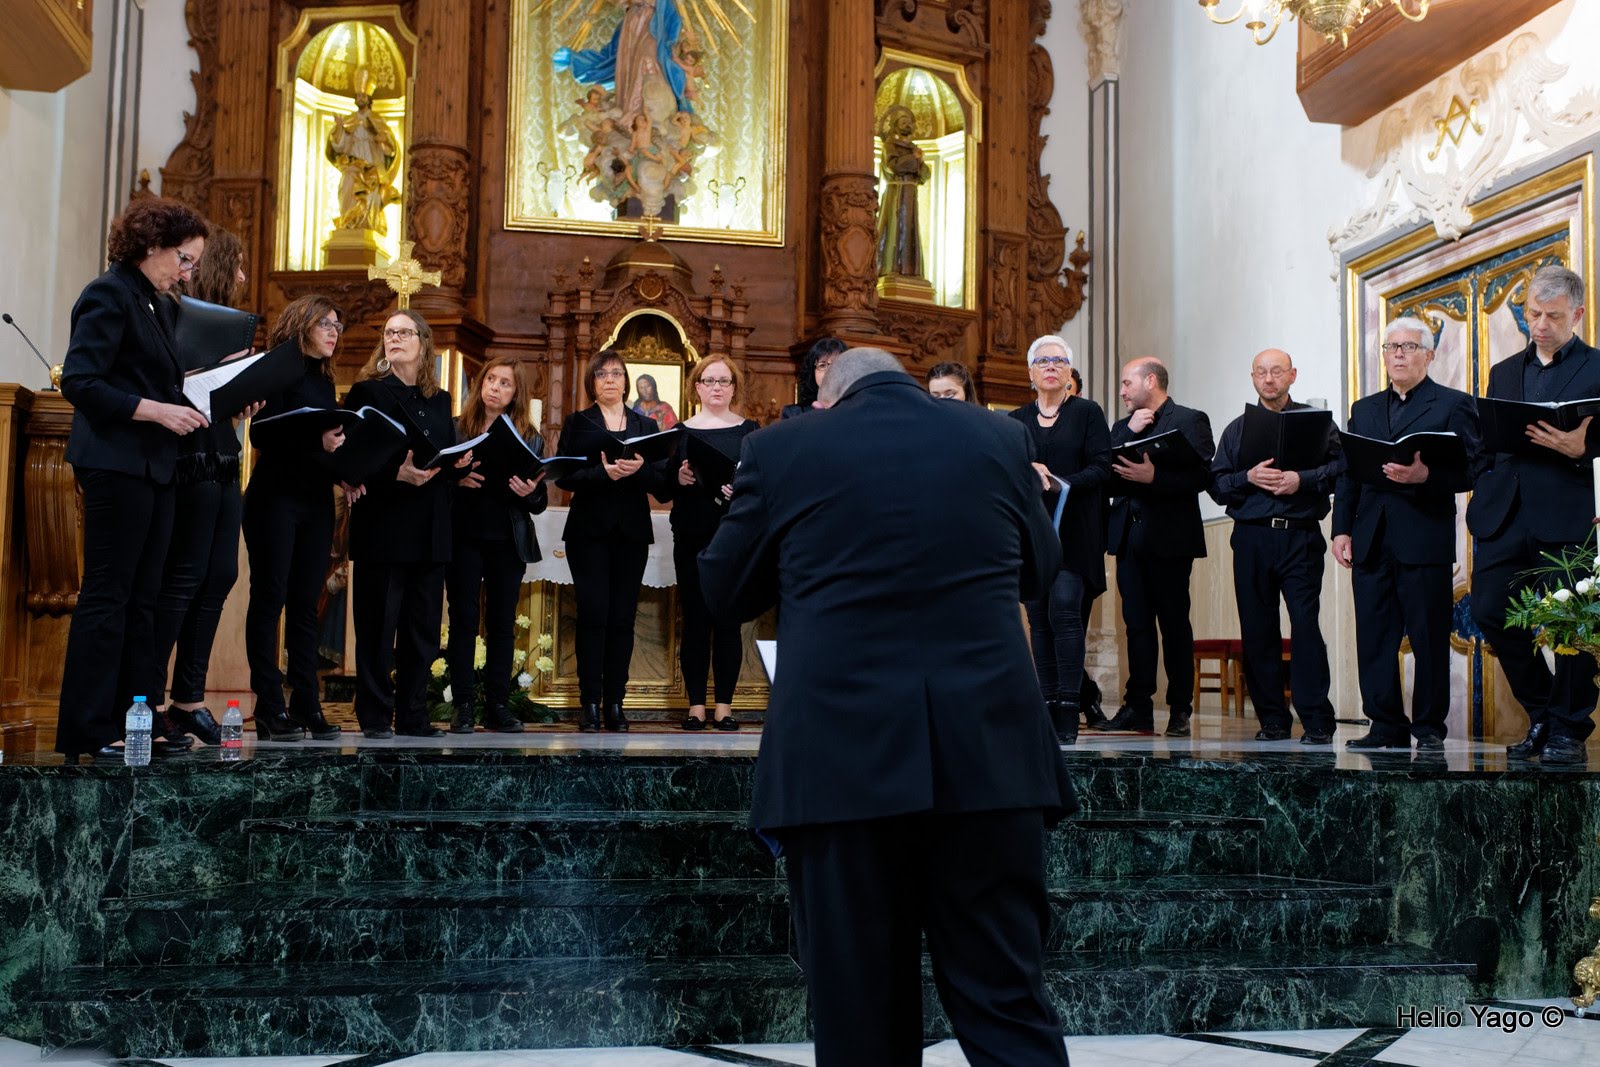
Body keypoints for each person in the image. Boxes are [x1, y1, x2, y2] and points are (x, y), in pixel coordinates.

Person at [699, 347, 1073, 1067]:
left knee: (860, 1012)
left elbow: (724, 590)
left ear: (828, 398)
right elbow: (1041, 567)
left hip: (841, 763)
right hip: (989, 754)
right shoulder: (998, 436)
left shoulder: (780, 449)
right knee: (1007, 1000)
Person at [55, 198, 210, 760]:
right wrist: (156, 411)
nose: (187, 274)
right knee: (109, 595)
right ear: (152, 245)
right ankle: (91, 728)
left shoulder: (156, 304)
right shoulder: (108, 293)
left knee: (146, 600)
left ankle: (137, 719)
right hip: (115, 463)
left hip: (154, 467)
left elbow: (162, 384)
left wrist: (215, 397)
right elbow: (80, 381)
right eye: (184, 259)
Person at [1467, 265, 1600, 764]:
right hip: (1505, 514)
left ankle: (1569, 728)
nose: (1540, 325)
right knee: (1488, 610)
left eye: (1553, 316)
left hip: (1570, 513)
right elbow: (1487, 442)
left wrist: (1581, 449)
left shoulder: (1597, 368)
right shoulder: (1503, 371)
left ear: (1577, 315)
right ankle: (1544, 710)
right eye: (1532, 314)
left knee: (1572, 624)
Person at [1333, 318, 1482, 751]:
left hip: (1423, 536)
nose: (1398, 353)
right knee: (1374, 636)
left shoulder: (1453, 404)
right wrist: (1341, 530)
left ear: (1429, 355)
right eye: (1391, 346)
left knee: (1428, 636)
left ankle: (1429, 727)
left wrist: (1426, 475)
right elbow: (1348, 474)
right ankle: (1385, 725)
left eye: (1408, 346)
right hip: (1370, 536)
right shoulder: (1363, 409)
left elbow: (1474, 468)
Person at [152, 227, 256, 746]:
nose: (241, 276)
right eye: (234, 265)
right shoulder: (173, 315)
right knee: (183, 577)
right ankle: (148, 701)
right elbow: (168, 387)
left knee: (220, 574)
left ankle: (188, 700)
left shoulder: (232, 326)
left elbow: (222, 406)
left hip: (223, 456)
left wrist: (245, 396)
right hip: (187, 459)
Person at [1209, 349, 1342, 744]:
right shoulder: (1236, 430)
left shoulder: (1318, 423)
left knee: (1305, 626)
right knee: (1257, 630)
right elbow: (1216, 486)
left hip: (1301, 536)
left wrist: (1302, 479)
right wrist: (1247, 477)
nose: (1269, 379)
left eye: (1277, 372)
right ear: (1253, 377)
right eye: (1261, 373)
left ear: (1292, 375)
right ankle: (1272, 720)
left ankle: (1317, 720)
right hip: (1251, 537)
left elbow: (1342, 469)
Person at [244, 296, 355, 742]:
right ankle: (269, 704)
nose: (333, 332)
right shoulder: (276, 369)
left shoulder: (324, 381)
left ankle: (307, 702)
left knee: (307, 605)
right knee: (269, 600)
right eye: (325, 323)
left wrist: (347, 473)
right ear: (301, 324)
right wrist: (318, 445)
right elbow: (260, 433)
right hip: (274, 498)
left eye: (337, 326)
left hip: (314, 501)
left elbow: (324, 446)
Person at [345, 310, 460, 739]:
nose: (394, 338)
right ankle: (375, 715)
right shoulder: (367, 392)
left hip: (431, 525)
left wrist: (459, 463)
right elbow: (350, 459)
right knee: (378, 625)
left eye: (404, 332)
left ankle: (413, 715)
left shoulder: (440, 399)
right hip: (384, 523)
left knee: (422, 629)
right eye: (389, 333)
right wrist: (395, 473)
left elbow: (442, 455)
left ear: (423, 344)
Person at [555, 349, 670, 732]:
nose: (609, 379)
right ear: (592, 382)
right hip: (588, 532)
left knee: (622, 618)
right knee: (592, 615)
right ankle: (590, 702)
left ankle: (615, 703)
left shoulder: (646, 425)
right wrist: (602, 474)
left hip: (631, 533)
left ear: (626, 381)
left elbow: (662, 485)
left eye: (617, 373)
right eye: (602, 374)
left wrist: (639, 471)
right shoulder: (578, 422)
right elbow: (564, 476)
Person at [1101, 357, 1215, 737]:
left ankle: (1180, 709)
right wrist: (1127, 433)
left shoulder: (1189, 419)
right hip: (1128, 539)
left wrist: (1155, 477)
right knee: (1136, 626)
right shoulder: (1122, 426)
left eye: (1126, 383)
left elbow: (1202, 477)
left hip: (1170, 539)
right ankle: (1139, 707)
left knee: (1173, 624)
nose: (1122, 391)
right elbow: (1104, 469)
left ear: (1150, 381)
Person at [1010, 335, 1111, 743]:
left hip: (1076, 531)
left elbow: (1103, 467)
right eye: (1042, 361)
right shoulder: (1015, 420)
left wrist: (1058, 483)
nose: (1050, 366)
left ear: (1069, 372)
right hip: (1032, 534)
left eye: (1059, 360)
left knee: (1065, 613)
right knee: (1038, 619)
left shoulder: (1087, 412)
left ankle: (1069, 708)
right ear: (1030, 373)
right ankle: (1047, 705)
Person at [447, 356, 549, 734]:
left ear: (515, 394)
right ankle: (462, 705)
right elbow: (435, 479)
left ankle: (497, 706)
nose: (495, 387)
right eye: (491, 379)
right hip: (463, 535)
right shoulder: (457, 428)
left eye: (505, 383)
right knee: (463, 620)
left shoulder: (530, 437)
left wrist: (528, 492)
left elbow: (539, 501)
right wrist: (456, 480)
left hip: (507, 539)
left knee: (502, 624)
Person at [662, 356, 758, 730]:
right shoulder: (680, 432)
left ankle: (724, 707)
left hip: (733, 537)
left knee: (728, 621)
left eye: (724, 381)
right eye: (709, 380)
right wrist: (679, 478)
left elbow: (763, 484)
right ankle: (696, 706)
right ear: (697, 387)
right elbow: (663, 484)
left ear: (734, 388)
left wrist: (742, 489)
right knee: (696, 621)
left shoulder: (750, 432)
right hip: (691, 535)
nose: (717, 387)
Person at [781, 336, 845, 419]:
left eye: (835, 365)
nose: (828, 372)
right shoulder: (793, 413)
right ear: (812, 371)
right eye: (822, 365)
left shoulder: (856, 410)